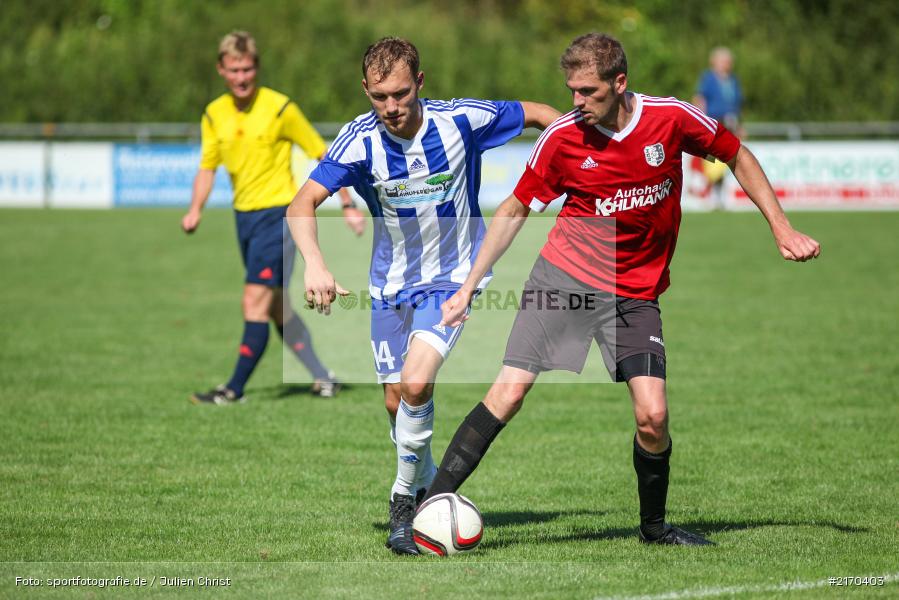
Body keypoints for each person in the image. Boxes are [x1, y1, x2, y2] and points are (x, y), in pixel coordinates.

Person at [422, 33, 821, 546]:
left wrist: (781, 227)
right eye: (571, 90)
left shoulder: (670, 118)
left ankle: (655, 531)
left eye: (588, 91)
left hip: (634, 292)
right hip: (563, 280)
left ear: (620, 82)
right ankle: (429, 511)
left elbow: (735, 153)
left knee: (653, 415)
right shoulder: (562, 137)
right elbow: (516, 209)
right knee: (509, 393)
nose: (576, 102)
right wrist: (468, 287)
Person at [287, 37, 560, 554]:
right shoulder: (358, 140)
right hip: (389, 286)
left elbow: (541, 113)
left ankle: (401, 505)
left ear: (421, 83)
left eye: (401, 93)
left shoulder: (461, 121)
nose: (391, 107)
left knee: (415, 382)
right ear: (365, 90)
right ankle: (431, 487)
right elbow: (303, 202)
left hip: (454, 279)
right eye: (379, 96)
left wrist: (585, 152)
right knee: (397, 400)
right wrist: (316, 263)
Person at [182, 31, 364, 405]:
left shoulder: (281, 108)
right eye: (234, 69)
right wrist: (195, 208)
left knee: (254, 302)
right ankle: (324, 377)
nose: (242, 77)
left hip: (278, 217)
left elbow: (324, 155)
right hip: (243, 219)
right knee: (278, 308)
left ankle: (233, 389)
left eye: (248, 68)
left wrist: (347, 203)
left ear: (257, 68)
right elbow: (207, 167)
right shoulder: (213, 114)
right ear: (221, 70)